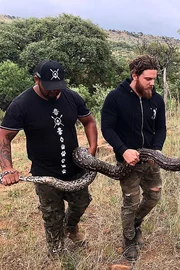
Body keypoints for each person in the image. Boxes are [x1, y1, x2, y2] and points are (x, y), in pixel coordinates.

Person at [0, 60, 98, 257]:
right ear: (37, 79)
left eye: (58, 86)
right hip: (45, 171)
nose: (55, 91)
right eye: (50, 87)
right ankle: (56, 252)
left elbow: (89, 121)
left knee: (82, 202)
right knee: (53, 215)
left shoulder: (71, 97)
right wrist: (7, 168)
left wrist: (93, 148)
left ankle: (70, 228)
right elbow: (4, 136)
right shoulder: (22, 104)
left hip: (74, 167)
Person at [101, 55, 166, 261]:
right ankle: (128, 239)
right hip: (127, 161)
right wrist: (123, 149)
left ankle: (135, 223)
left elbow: (161, 128)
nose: (152, 83)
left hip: (150, 159)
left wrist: (156, 149)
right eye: (148, 79)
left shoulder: (156, 99)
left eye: (154, 79)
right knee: (131, 201)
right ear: (135, 75)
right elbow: (107, 128)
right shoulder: (115, 97)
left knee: (154, 196)